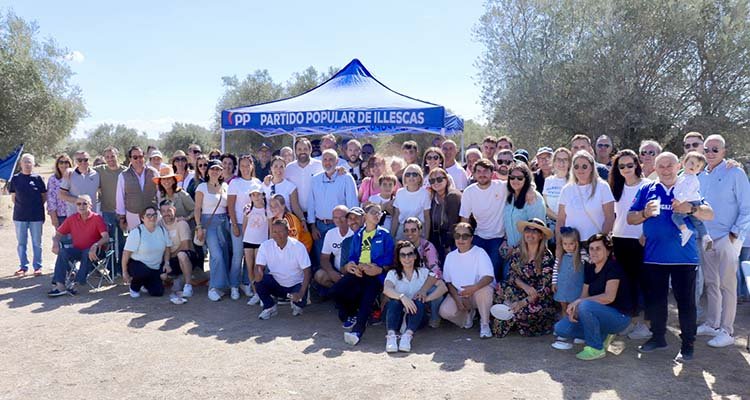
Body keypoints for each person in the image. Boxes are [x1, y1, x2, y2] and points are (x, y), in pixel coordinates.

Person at [627, 152, 714, 362]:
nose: (665, 169)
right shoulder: (647, 189)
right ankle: (658, 338)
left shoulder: (687, 185)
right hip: (654, 256)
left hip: (684, 257)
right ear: (655, 168)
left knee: (686, 303)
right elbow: (630, 218)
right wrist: (645, 214)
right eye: (661, 166)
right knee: (655, 301)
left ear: (678, 167)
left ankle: (687, 345)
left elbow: (709, 213)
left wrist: (691, 208)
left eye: (669, 165)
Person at [697, 134, 750, 348]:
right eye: (707, 150)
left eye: (715, 150)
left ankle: (727, 331)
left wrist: (734, 235)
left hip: (727, 237)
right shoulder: (700, 174)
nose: (710, 153)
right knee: (712, 283)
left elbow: (747, 207)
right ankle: (712, 323)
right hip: (707, 237)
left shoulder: (735, 172)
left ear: (724, 151)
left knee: (729, 285)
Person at [553, 234, 633, 361]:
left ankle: (596, 348)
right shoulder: (590, 268)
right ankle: (602, 335)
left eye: (598, 248)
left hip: (619, 317)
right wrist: (575, 310)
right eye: (591, 249)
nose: (594, 252)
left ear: (607, 250)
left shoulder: (613, 267)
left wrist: (579, 302)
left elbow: (609, 297)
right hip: (597, 313)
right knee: (561, 328)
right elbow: (584, 295)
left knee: (585, 305)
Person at [332, 203, 395, 346]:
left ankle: (358, 331)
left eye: (379, 213)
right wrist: (352, 265)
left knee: (368, 297)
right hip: (359, 273)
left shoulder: (384, 234)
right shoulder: (358, 235)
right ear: (365, 216)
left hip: (375, 274)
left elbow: (390, 258)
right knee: (336, 290)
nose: (377, 215)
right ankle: (351, 313)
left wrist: (379, 268)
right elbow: (353, 256)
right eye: (374, 212)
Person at [608, 150, 652, 341]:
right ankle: (632, 322)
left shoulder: (648, 185)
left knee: (645, 283)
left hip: (641, 240)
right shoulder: (616, 187)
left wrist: (646, 234)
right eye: (621, 166)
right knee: (627, 284)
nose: (626, 169)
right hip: (619, 239)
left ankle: (647, 324)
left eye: (629, 165)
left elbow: (655, 213)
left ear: (637, 165)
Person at [492, 218, 557, 338]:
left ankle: (513, 315)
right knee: (501, 287)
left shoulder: (546, 257)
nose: (530, 234)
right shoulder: (518, 251)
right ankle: (511, 312)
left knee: (525, 312)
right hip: (521, 291)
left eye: (535, 231)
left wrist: (523, 302)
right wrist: (524, 286)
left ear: (541, 236)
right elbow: (511, 274)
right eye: (528, 230)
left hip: (537, 297)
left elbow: (545, 288)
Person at [383, 240, 447, 353]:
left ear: (415, 256)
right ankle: (391, 336)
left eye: (410, 254)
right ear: (398, 257)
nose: (406, 258)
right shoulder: (393, 273)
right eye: (403, 255)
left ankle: (407, 336)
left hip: (416, 316)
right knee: (394, 302)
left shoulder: (423, 272)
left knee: (418, 301)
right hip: (396, 315)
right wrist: (402, 297)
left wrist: (426, 298)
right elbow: (387, 289)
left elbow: (443, 287)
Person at [439, 222, 495, 338]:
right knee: (444, 311)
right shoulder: (450, 256)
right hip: (460, 295)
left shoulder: (480, 253)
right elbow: (448, 283)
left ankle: (484, 324)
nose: (461, 239)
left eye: (465, 236)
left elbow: (489, 277)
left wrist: (473, 289)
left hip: (477, 293)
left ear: (471, 238)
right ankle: (467, 315)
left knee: (485, 290)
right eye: (457, 236)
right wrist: (457, 299)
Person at [556, 151, 615, 258]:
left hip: (595, 245)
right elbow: (561, 220)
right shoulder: (567, 189)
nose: (580, 170)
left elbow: (609, 218)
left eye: (584, 166)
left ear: (592, 167)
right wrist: (559, 246)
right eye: (576, 166)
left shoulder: (602, 187)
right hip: (571, 246)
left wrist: (601, 242)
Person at [48, 195, 109, 296]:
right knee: (63, 252)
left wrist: (96, 245)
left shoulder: (97, 218)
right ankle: (60, 286)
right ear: (76, 206)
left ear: (90, 205)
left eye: (85, 203)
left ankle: (76, 284)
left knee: (87, 251)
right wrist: (55, 243)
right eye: (79, 204)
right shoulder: (72, 218)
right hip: (78, 250)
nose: (81, 206)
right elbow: (58, 234)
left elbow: (106, 237)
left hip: (96, 251)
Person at [307, 149, 358, 267]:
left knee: (342, 260)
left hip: (340, 225)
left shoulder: (346, 178)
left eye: (331, 159)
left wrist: (351, 225)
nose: (327, 162)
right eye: (325, 159)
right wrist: (313, 226)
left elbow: (352, 204)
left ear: (337, 161)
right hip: (320, 226)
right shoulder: (315, 179)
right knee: (322, 261)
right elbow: (311, 204)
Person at [254, 219, 312, 319]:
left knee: (299, 305)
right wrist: (258, 273)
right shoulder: (265, 246)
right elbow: (259, 266)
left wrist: (301, 293)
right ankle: (269, 306)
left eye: (281, 231)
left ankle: (299, 300)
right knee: (259, 282)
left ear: (288, 232)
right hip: (277, 284)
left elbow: (307, 272)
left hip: (296, 285)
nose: (277, 235)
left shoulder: (298, 247)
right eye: (274, 232)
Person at [460, 159, 508, 279]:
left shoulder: (502, 187)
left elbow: (525, 183)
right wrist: (464, 240)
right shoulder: (469, 192)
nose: (482, 174)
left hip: (498, 237)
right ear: (474, 174)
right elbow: (464, 219)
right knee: (476, 271)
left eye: (486, 171)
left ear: (492, 173)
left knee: (494, 271)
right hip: (479, 236)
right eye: (479, 171)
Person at [194, 159, 230, 302]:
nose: (215, 171)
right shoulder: (202, 187)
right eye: (212, 168)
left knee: (225, 254)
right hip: (208, 223)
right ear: (208, 171)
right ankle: (213, 287)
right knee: (216, 255)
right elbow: (197, 208)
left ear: (222, 171)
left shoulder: (226, 186)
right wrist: (198, 226)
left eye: (218, 169)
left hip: (224, 222)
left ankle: (221, 287)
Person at [227, 154, 262, 300]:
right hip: (239, 223)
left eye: (248, 165)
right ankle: (234, 285)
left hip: (254, 226)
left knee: (251, 257)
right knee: (237, 255)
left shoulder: (258, 183)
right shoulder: (235, 183)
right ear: (239, 167)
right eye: (242, 166)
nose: (245, 168)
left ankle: (247, 283)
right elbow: (230, 206)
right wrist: (234, 225)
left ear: (252, 166)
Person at [402, 217, 445, 328]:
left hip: (425, 281)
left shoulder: (427, 247)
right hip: (408, 280)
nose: (409, 233)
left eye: (413, 230)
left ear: (420, 230)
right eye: (406, 230)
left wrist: (423, 290)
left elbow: (435, 272)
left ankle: (435, 317)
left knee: (437, 289)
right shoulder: (402, 247)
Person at [122, 206, 172, 298]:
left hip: (155, 267)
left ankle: (145, 283)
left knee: (158, 293)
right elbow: (126, 253)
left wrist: (166, 263)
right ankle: (134, 288)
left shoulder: (162, 230)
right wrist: (124, 272)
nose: (152, 218)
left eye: (154, 215)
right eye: (148, 215)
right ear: (142, 218)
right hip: (137, 265)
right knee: (142, 272)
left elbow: (167, 248)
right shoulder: (137, 232)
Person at [10, 153, 47, 276]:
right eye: (25, 161)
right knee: (21, 243)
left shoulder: (38, 179)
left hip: (36, 216)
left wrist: (34, 207)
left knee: (37, 243)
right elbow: (14, 198)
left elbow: (43, 197)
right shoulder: (15, 179)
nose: (27, 164)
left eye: (29, 161)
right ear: (21, 164)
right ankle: (23, 267)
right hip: (20, 217)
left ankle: (37, 267)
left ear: (33, 164)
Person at [502, 162, 546, 250]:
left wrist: (517, 249)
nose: (515, 180)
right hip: (510, 249)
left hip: (529, 251)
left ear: (526, 179)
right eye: (512, 177)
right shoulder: (509, 196)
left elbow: (536, 229)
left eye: (520, 178)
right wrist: (505, 240)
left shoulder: (534, 198)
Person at [159, 199, 197, 298]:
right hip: (168, 258)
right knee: (161, 274)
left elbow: (185, 246)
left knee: (182, 255)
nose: (166, 214)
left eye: (169, 210)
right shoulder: (159, 225)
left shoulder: (181, 223)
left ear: (174, 210)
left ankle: (188, 285)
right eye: (163, 211)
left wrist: (169, 257)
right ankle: (175, 278)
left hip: (184, 255)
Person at [94, 147, 127, 258]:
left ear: (117, 156)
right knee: (110, 240)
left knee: (124, 239)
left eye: (112, 156)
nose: (110, 159)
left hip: (124, 212)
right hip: (107, 211)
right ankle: (112, 268)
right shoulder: (99, 170)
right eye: (107, 157)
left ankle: (123, 267)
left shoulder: (125, 171)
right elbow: (84, 171)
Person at [673, 152, 710, 247]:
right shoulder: (682, 176)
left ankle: (685, 231)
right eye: (692, 163)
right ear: (684, 162)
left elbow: (687, 192)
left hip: (690, 201)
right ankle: (706, 236)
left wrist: (678, 200)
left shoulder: (692, 179)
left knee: (676, 217)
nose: (694, 167)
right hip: (689, 200)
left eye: (698, 166)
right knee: (696, 221)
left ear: (699, 170)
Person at [116, 146, 158, 231]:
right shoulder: (123, 175)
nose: (138, 159)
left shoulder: (153, 172)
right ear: (130, 159)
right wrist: (122, 217)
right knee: (136, 240)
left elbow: (159, 193)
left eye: (141, 157)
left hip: (151, 214)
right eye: (135, 157)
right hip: (132, 215)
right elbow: (120, 197)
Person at [427, 168, 461, 264]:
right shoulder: (433, 198)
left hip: (452, 241)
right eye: (432, 180)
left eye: (439, 179)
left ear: (446, 180)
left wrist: (448, 244)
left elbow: (453, 223)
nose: (436, 183)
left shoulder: (453, 196)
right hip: (437, 241)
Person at [242, 188, 269, 305]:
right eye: (253, 195)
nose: (256, 197)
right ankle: (255, 293)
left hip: (261, 242)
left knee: (258, 268)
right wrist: (245, 237)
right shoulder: (248, 209)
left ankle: (262, 293)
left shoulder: (267, 210)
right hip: (248, 241)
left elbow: (270, 228)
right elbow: (244, 225)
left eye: (258, 194)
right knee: (249, 267)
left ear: (263, 195)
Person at [315, 205, 353, 289]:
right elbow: (324, 258)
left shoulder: (355, 232)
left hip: (353, 271)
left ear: (348, 217)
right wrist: (331, 272)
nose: (339, 220)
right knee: (319, 275)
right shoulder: (330, 233)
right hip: (337, 271)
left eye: (342, 217)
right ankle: (337, 291)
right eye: (335, 218)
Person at [285, 138, 324, 218]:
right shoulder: (289, 168)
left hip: (317, 214)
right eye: (299, 149)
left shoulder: (320, 166)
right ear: (295, 151)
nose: (302, 152)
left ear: (310, 150)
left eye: (305, 149)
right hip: (295, 214)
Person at [391, 164, 431, 240]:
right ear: (404, 178)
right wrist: (392, 236)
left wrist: (426, 238)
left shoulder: (425, 194)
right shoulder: (399, 192)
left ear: (420, 178)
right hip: (402, 230)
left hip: (418, 231)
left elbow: (427, 217)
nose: (411, 177)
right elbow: (396, 216)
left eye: (415, 174)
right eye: (408, 175)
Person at [262, 156, 306, 224]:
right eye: (275, 166)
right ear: (271, 168)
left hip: (285, 223)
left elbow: (295, 206)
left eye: (281, 167)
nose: (278, 169)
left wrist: (303, 220)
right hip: (267, 223)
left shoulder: (291, 187)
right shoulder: (264, 185)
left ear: (285, 168)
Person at [542, 148, 571, 245]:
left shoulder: (573, 181)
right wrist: (558, 218)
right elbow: (545, 206)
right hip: (551, 224)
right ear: (553, 162)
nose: (562, 163)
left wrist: (562, 220)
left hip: (569, 225)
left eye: (565, 160)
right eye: (559, 159)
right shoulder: (548, 180)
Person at [60, 150, 99, 217]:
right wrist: (79, 201)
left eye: (85, 160)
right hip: (74, 216)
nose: (83, 162)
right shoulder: (69, 174)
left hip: (92, 216)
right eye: (80, 160)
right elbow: (61, 195)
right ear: (75, 161)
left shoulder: (96, 174)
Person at [47, 154, 72, 232]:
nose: (64, 164)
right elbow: (51, 200)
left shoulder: (75, 177)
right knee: (63, 240)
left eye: (66, 162)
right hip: (60, 215)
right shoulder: (53, 179)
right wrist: (53, 217)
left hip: (75, 214)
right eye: (61, 162)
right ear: (57, 165)